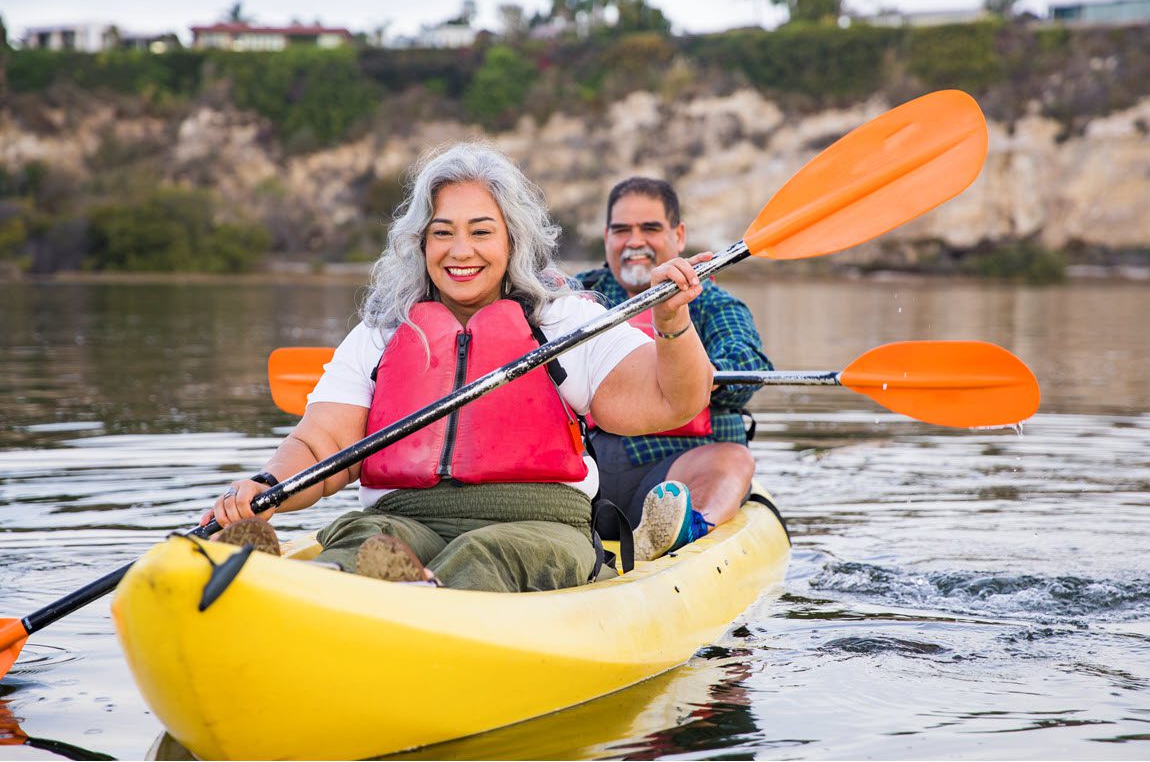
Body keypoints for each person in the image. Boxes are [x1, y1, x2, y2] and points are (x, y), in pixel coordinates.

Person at [200, 142, 715, 591]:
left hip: (536, 525)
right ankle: (310, 588)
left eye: (481, 232)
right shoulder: (382, 332)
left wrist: (671, 319)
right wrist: (267, 486)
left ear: (513, 239)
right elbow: (321, 445)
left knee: (485, 554)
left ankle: (418, 601)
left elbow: (673, 400)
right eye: (443, 232)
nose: (460, 251)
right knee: (363, 541)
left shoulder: (565, 321)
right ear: (421, 242)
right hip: (406, 519)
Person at [576, 176, 772, 552]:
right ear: (606, 238)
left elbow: (747, 361)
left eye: (649, 228)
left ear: (678, 236)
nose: (634, 241)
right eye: (622, 230)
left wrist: (696, 375)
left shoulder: (713, 303)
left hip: (680, 468)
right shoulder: (578, 296)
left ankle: (688, 526)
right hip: (590, 471)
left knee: (734, 458)